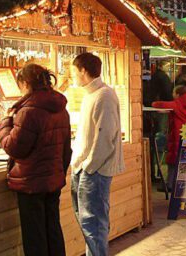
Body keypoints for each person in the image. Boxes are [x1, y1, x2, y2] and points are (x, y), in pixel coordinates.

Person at [0, 64, 72, 256]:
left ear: (25, 83)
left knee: (35, 237)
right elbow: (66, 149)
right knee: (53, 230)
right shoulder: (60, 108)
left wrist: (5, 123)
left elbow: (14, 147)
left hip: (30, 182)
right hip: (52, 180)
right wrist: (59, 173)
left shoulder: (27, 111)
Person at [69, 52, 124, 256]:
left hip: (95, 170)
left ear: (83, 71)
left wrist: (89, 167)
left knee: (94, 224)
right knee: (87, 223)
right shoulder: (91, 95)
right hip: (85, 167)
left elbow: (104, 137)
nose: (73, 76)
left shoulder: (104, 95)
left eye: (74, 71)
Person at [152, 85, 186, 191]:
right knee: (184, 159)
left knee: (173, 159)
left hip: (177, 134)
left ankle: (170, 184)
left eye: (173, 93)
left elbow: (159, 104)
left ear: (177, 94)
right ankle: (183, 183)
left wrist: (153, 103)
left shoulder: (177, 104)